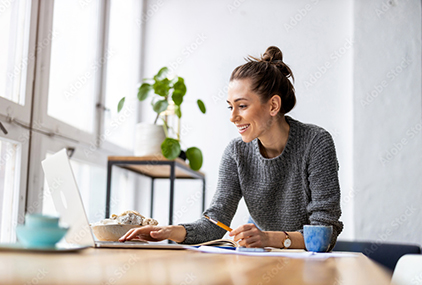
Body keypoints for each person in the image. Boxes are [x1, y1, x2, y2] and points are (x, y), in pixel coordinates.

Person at [119, 46, 343, 250]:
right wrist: (170, 231)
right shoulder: (236, 152)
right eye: (230, 107)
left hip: (309, 266)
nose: (233, 117)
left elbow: (325, 233)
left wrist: (268, 238)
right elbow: (216, 222)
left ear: (273, 105)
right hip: (261, 259)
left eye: (242, 106)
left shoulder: (316, 143)